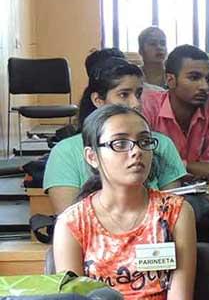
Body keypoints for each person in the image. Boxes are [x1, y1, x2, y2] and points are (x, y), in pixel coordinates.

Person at [52, 105, 196, 300]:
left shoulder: (175, 212)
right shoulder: (71, 222)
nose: (136, 151)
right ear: (92, 157)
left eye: (144, 141)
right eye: (120, 143)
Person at [45, 56, 187, 214]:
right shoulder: (66, 151)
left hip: (154, 236)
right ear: (98, 100)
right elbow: (70, 220)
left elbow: (171, 215)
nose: (136, 103)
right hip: (90, 237)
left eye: (138, 94)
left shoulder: (161, 144)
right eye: (124, 95)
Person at [141, 45, 209, 183]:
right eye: (194, 78)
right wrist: (190, 166)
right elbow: (145, 164)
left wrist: (172, 166)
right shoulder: (149, 103)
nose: (205, 86)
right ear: (170, 80)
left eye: (208, 79)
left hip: (202, 191)